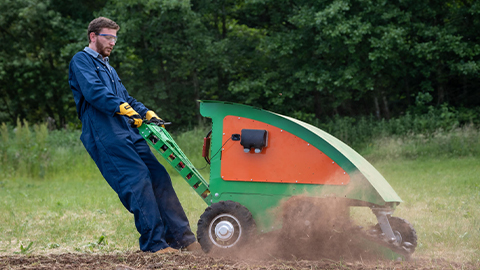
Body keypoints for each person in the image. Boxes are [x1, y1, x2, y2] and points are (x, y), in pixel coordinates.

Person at [68, 17, 199, 254]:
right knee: (137, 181)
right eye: (108, 37)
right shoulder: (81, 61)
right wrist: (122, 108)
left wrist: (144, 112)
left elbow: (125, 98)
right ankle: (155, 245)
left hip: (127, 130)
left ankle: (183, 239)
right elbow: (94, 92)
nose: (113, 42)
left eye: (115, 38)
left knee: (159, 176)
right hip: (104, 133)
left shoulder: (108, 67)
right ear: (93, 36)